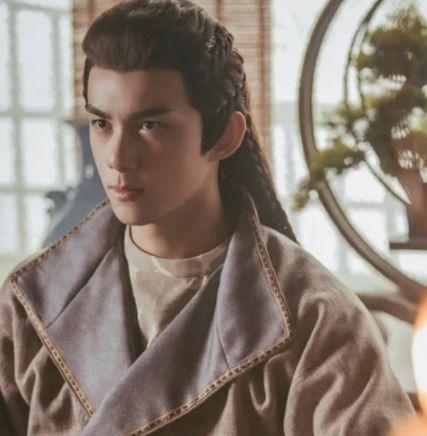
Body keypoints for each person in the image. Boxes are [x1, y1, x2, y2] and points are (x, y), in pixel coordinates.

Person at [0, 0, 414, 435]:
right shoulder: (30, 306)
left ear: (225, 136)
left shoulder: (313, 320)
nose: (117, 158)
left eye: (149, 126)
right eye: (102, 124)